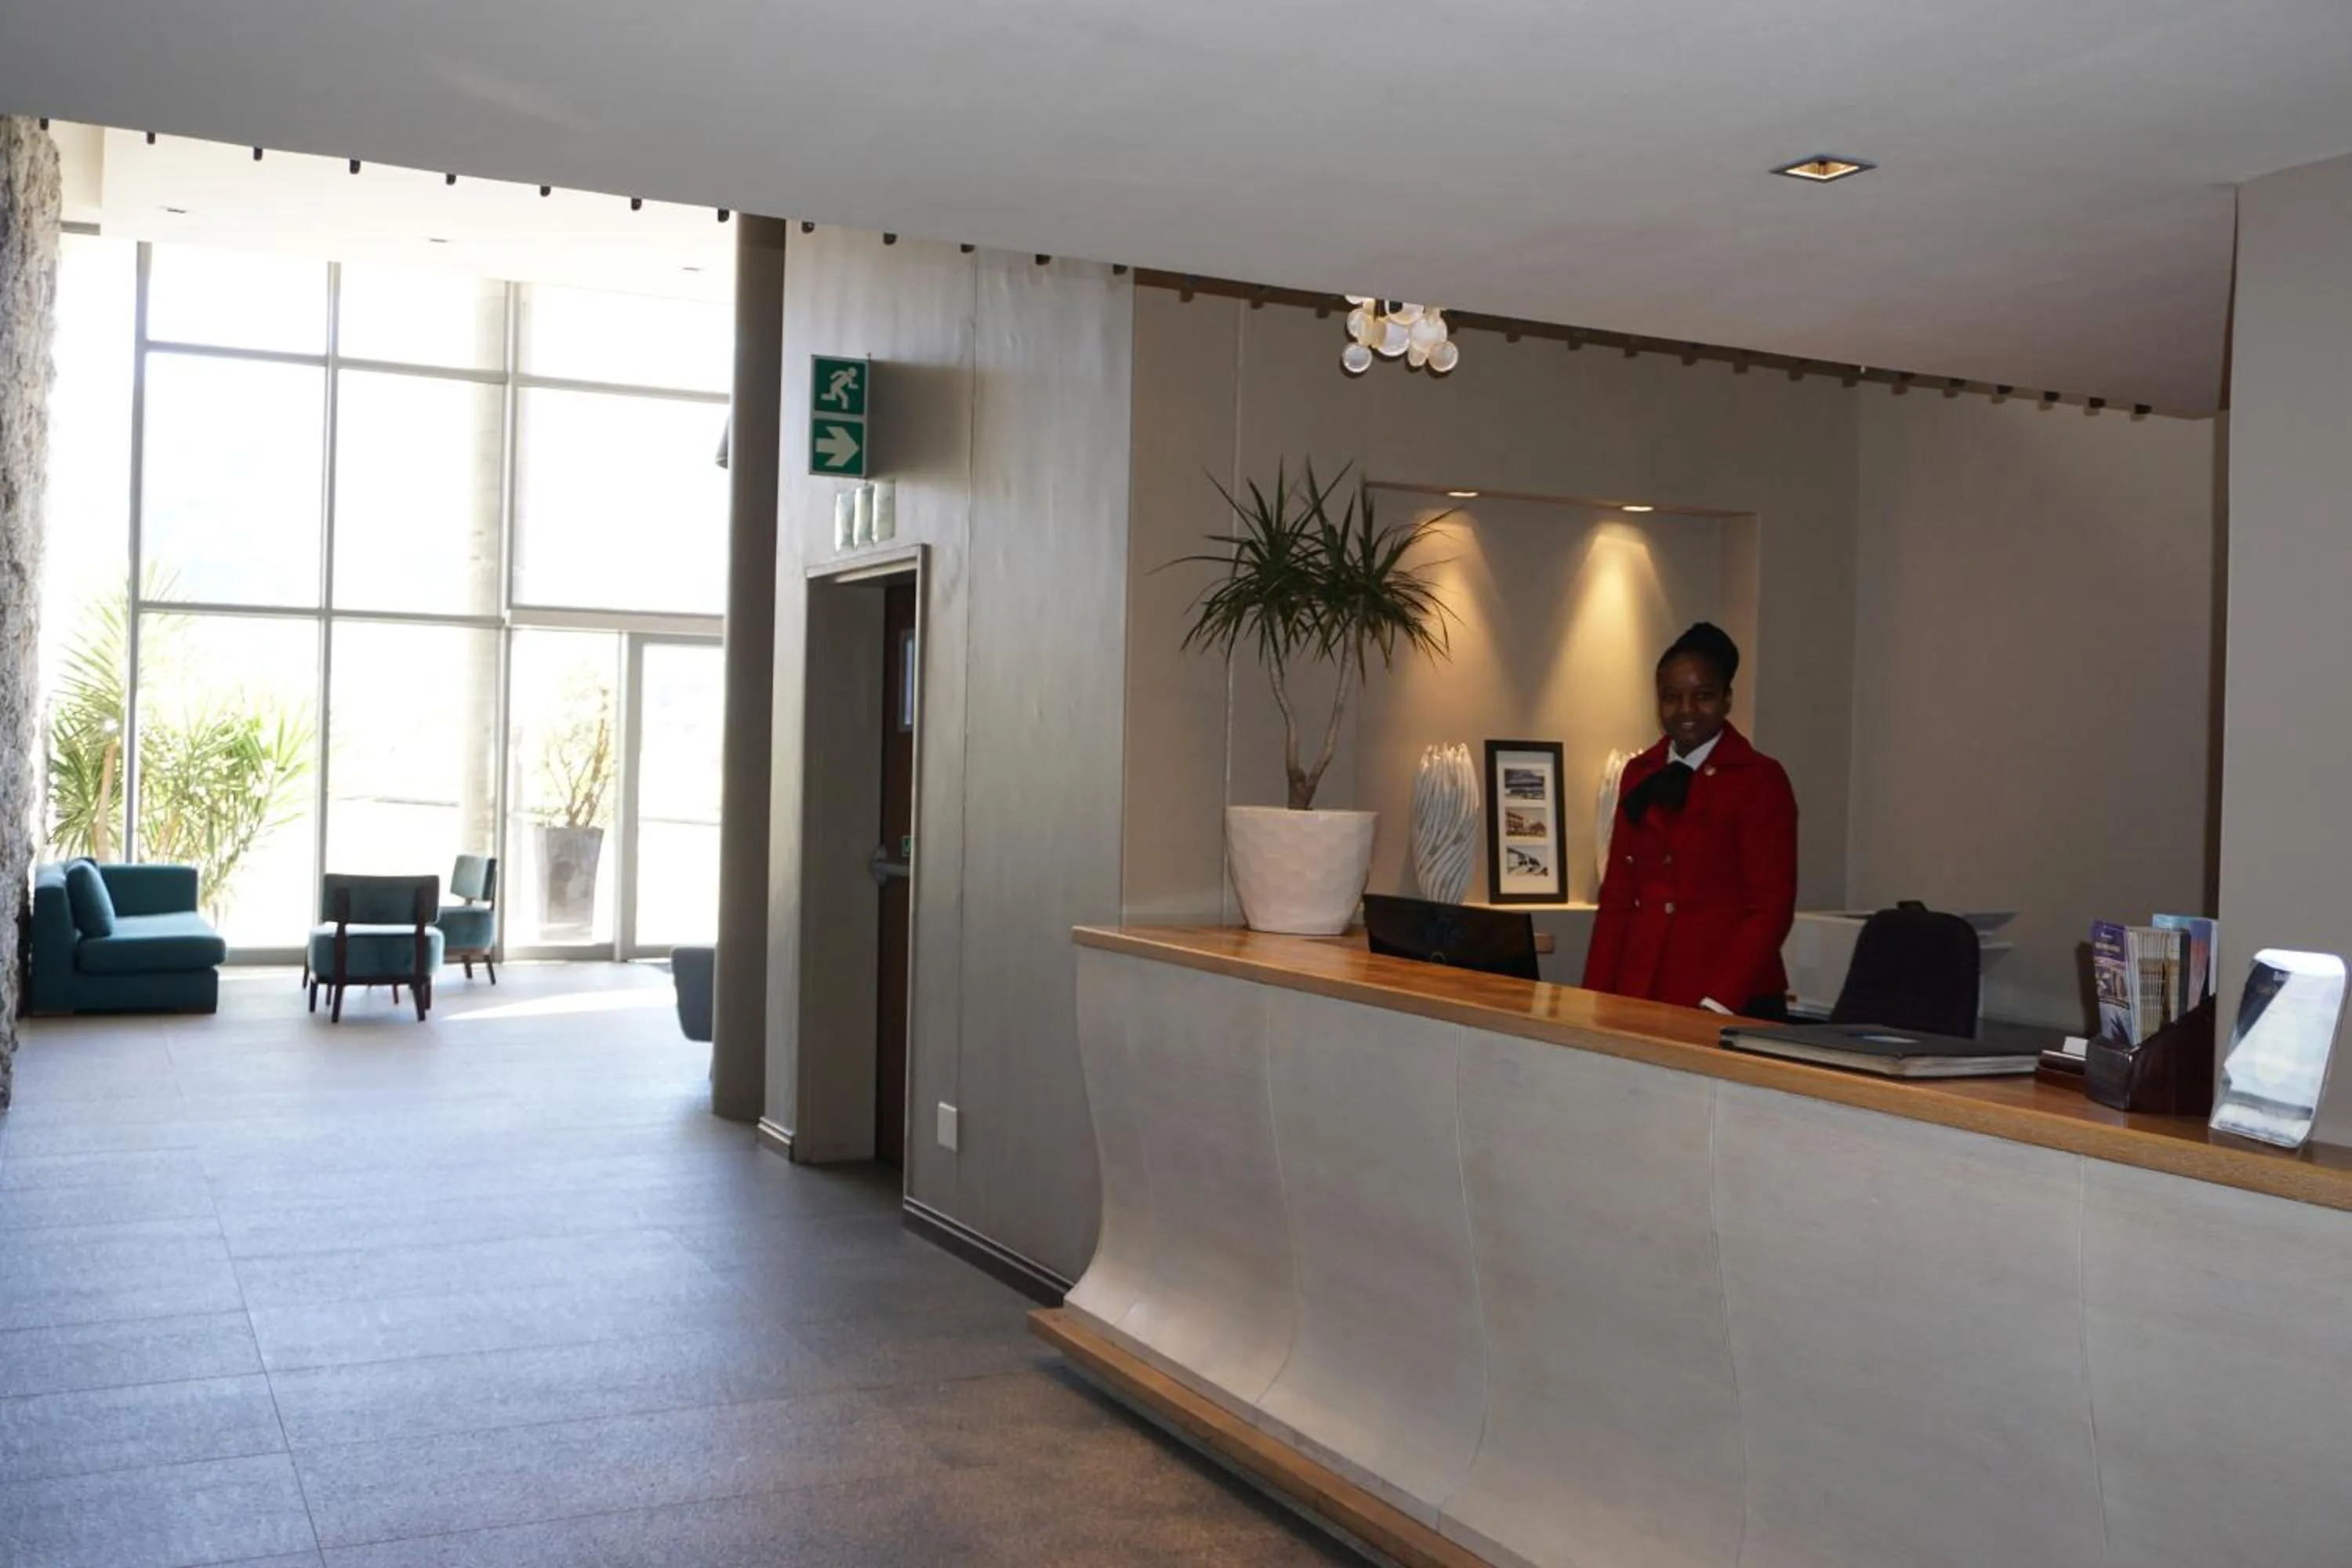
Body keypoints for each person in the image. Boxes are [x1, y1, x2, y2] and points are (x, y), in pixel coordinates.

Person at [1583, 622, 1798, 1018]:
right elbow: (1617, 896)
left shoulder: (1759, 779)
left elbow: (1770, 908)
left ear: (1727, 699)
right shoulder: (1639, 772)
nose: (1686, 711)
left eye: (1703, 696)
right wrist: (1595, 997)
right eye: (1671, 697)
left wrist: (1718, 1001)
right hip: (1644, 988)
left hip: (1729, 996)